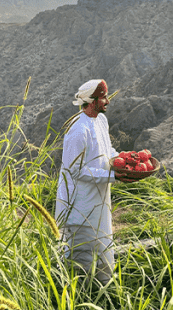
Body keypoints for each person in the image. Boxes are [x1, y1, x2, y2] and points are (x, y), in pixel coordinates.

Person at [54, 78, 130, 285]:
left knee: (103, 241)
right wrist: (113, 176)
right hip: (80, 203)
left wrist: (123, 160)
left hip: (99, 197)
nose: (107, 101)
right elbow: (75, 170)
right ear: (91, 100)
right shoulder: (78, 131)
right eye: (103, 97)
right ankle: (78, 295)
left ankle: (102, 289)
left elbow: (107, 152)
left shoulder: (101, 121)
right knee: (82, 251)